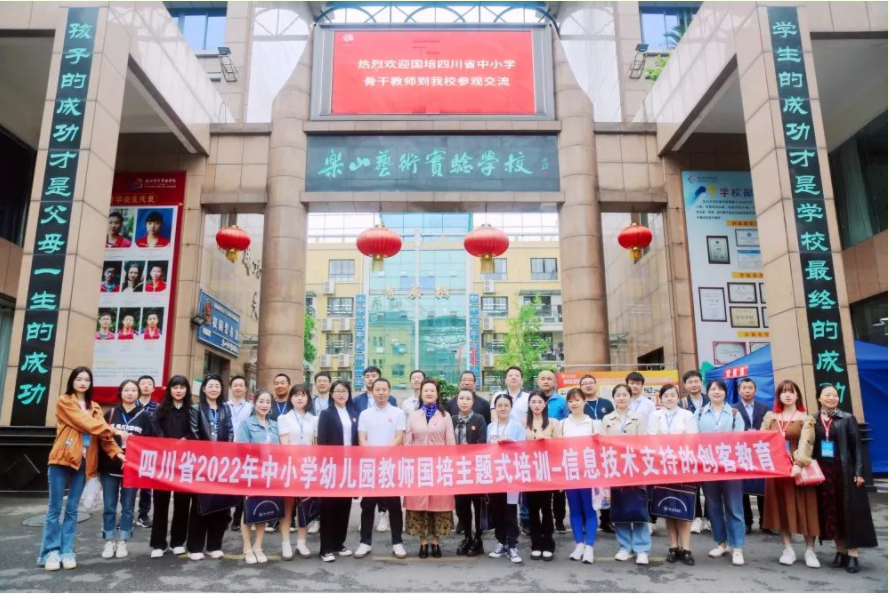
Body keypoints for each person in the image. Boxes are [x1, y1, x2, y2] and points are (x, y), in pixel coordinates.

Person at [38, 367, 124, 571]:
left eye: (87, 379)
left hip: (85, 462)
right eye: (79, 379)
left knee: (72, 509)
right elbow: (85, 423)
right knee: (54, 508)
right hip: (62, 458)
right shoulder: (65, 401)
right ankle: (50, 552)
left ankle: (67, 550)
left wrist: (118, 453)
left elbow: (103, 436)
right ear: (72, 381)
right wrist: (114, 429)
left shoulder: (95, 406)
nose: (83, 383)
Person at [812, 383, 877, 573]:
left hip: (844, 472)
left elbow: (857, 448)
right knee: (831, 513)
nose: (832, 398)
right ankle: (840, 551)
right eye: (827, 395)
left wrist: (859, 472)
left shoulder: (847, 418)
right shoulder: (814, 419)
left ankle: (853, 554)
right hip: (824, 473)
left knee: (848, 513)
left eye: (835, 395)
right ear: (819, 398)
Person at [761, 380, 820, 568]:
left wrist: (799, 463)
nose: (787, 395)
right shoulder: (770, 417)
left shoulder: (806, 418)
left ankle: (810, 550)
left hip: (799, 470)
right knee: (782, 509)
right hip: (777, 470)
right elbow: (762, 439)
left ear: (797, 395)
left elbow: (807, 442)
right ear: (778, 396)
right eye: (783, 392)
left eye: (791, 392)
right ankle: (788, 549)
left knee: (806, 509)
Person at [99, 379, 153, 559]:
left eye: (133, 390)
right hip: (109, 467)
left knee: (128, 507)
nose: (130, 393)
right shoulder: (111, 413)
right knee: (109, 506)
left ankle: (123, 541)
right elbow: (101, 438)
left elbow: (150, 442)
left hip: (132, 468)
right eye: (126, 390)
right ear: (120, 393)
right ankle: (109, 541)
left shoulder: (144, 416)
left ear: (138, 394)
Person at [695, 379, 746, 566]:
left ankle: (737, 547)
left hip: (730, 467)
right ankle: (721, 543)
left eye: (720, 389)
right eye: (713, 389)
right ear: (707, 392)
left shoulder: (734, 413)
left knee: (734, 507)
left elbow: (740, 440)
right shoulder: (699, 413)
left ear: (725, 392)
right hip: (708, 467)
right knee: (714, 507)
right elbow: (694, 440)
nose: (716, 392)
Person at [356, 378, 408, 559]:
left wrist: (384, 454)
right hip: (370, 466)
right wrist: (373, 455)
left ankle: (397, 543)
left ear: (389, 391)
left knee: (394, 506)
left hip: (390, 465)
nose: (380, 392)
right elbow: (362, 438)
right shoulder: (365, 414)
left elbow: (399, 437)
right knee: (367, 505)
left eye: (384, 389)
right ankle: (365, 543)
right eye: (377, 389)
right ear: (372, 391)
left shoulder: (398, 413)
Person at [404, 379, 456, 559]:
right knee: (419, 506)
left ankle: (435, 541)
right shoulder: (413, 416)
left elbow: (450, 442)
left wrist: (450, 465)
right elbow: (408, 442)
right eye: (425, 390)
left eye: (432, 390)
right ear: (421, 393)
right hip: (418, 467)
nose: (428, 393)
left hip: (439, 467)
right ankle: (423, 542)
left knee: (438, 505)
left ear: (437, 394)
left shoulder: (445, 416)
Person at [186, 374, 234, 560]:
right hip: (202, 464)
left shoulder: (225, 409)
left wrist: (223, 453)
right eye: (210, 386)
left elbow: (230, 432)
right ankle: (195, 547)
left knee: (220, 505)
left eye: (217, 386)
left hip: (221, 464)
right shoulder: (195, 408)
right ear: (204, 389)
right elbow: (194, 434)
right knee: (200, 506)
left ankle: (214, 545)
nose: (214, 389)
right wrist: (207, 455)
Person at [648, 384, 696, 565]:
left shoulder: (687, 415)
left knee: (684, 507)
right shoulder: (654, 416)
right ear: (661, 398)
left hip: (683, 467)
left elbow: (692, 438)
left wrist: (668, 438)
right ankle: (673, 547)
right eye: (666, 395)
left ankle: (687, 549)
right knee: (668, 508)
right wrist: (677, 436)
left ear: (678, 397)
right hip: (662, 467)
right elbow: (652, 439)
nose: (669, 398)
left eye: (672, 395)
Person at [602, 383, 651, 565]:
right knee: (620, 508)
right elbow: (604, 444)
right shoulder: (607, 418)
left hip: (635, 468)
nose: (621, 398)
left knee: (638, 507)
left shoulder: (638, 417)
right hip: (615, 468)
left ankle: (642, 548)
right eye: (618, 395)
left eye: (625, 394)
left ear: (630, 397)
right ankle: (625, 547)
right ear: (614, 398)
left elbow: (644, 442)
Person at [149, 376, 193, 558]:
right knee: (160, 503)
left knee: (182, 504)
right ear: (170, 390)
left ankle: (178, 542)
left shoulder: (192, 410)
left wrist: (185, 439)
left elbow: (195, 431)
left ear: (187, 390)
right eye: (175, 387)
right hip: (164, 462)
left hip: (184, 462)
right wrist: (165, 441)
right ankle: (158, 544)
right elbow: (155, 429)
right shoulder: (161, 409)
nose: (178, 390)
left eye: (182, 387)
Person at [235, 390, 279, 564]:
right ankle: (247, 547)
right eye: (261, 401)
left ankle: (258, 546)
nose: (264, 405)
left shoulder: (275, 425)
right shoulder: (246, 424)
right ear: (254, 403)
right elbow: (242, 450)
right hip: (251, 472)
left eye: (268, 402)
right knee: (248, 509)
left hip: (269, 473)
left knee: (264, 508)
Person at [317, 380, 358, 562]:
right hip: (332, 467)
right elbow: (322, 442)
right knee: (329, 507)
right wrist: (326, 464)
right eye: (338, 391)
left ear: (349, 394)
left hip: (349, 466)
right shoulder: (326, 414)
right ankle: (325, 548)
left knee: (344, 505)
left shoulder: (354, 414)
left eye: (344, 391)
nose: (341, 394)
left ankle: (338, 543)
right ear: (332, 394)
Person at [562, 388, 602, 564]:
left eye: (577, 400)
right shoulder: (562, 424)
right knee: (575, 509)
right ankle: (579, 544)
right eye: (570, 401)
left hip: (589, 473)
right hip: (570, 473)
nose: (574, 403)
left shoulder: (594, 423)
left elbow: (601, 449)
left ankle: (589, 546)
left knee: (589, 509)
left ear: (584, 401)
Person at [277, 384, 318, 558]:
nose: (299, 398)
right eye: (296, 395)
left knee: (304, 507)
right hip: (290, 467)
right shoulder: (283, 418)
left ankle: (302, 542)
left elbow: (315, 444)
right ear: (290, 398)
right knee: (287, 507)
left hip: (307, 468)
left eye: (303, 395)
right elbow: (284, 444)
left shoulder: (314, 419)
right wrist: (296, 461)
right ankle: (286, 543)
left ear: (308, 398)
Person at [523, 390, 562, 561]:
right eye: (533, 402)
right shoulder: (523, 422)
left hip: (547, 471)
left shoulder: (553, 422)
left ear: (545, 404)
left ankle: (548, 543)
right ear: (529, 404)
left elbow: (560, 445)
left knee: (546, 508)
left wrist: (546, 440)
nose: (536, 405)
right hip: (529, 472)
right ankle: (535, 544)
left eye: (540, 402)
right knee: (532, 509)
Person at [486, 393, 524, 564]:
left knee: (510, 511)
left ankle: (512, 545)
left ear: (511, 407)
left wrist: (510, 441)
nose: (502, 408)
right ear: (495, 407)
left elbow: (523, 448)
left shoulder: (517, 426)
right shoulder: (490, 427)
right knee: (497, 511)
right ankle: (501, 542)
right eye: (499, 405)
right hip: (494, 475)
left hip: (511, 475)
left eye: (506, 405)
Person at [451, 388, 488, 557]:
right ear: (457, 401)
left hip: (474, 469)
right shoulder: (451, 420)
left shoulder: (479, 419)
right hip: (457, 471)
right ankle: (467, 536)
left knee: (477, 506)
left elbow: (481, 444)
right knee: (461, 506)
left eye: (468, 399)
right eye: (461, 398)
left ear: (473, 402)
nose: (464, 402)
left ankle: (478, 539)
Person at [732, 377, 770, 534]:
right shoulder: (733, 409)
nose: (747, 391)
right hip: (741, 451)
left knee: (763, 486)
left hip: (760, 451)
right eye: (744, 388)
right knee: (742, 488)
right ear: (739, 390)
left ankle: (765, 522)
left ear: (755, 390)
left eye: (750, 388)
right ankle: (747, 522)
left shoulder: (765, 408)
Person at [579, 374, 615, 533]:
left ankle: (606, 520)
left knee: (606, 486)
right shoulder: (579, 403)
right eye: (584, 383)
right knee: (587, 486)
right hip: (586, 451)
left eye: (591, 383)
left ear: (595, 384)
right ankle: (587, 520)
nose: (588, 385)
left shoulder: (606, 403)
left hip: (605, 450)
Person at [681, 370, 710, 534]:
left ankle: (710, 518)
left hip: (708, 450)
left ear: (701, 382)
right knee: (693, 485)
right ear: (685, 385)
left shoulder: (711, 399)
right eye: (690, 382)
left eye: (696, 381)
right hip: (690, 450)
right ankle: (696, 517)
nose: (693, 385)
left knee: (710, 484)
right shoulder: (682, 404)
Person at [227, 375, 253, 532]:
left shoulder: (251, 408)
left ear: (245, 388)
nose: (237, 388)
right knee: (225, 483)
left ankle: (238, 517)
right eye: (235, 385)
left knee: (242, 484)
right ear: (231, 388)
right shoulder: (223, 406)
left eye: (240, 385)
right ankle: (225, 516)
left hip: (244, 451)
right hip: (226, 450)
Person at [133, 375, 157, 529]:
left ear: (153, 388)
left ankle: (143, 514)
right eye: (143, 383)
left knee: (146, 484)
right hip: (131, 449)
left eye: (149, 384)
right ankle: (127, 514)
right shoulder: (130, 404)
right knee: (129, 482)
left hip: (149, 450)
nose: (146, 386)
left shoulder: (158, 407)